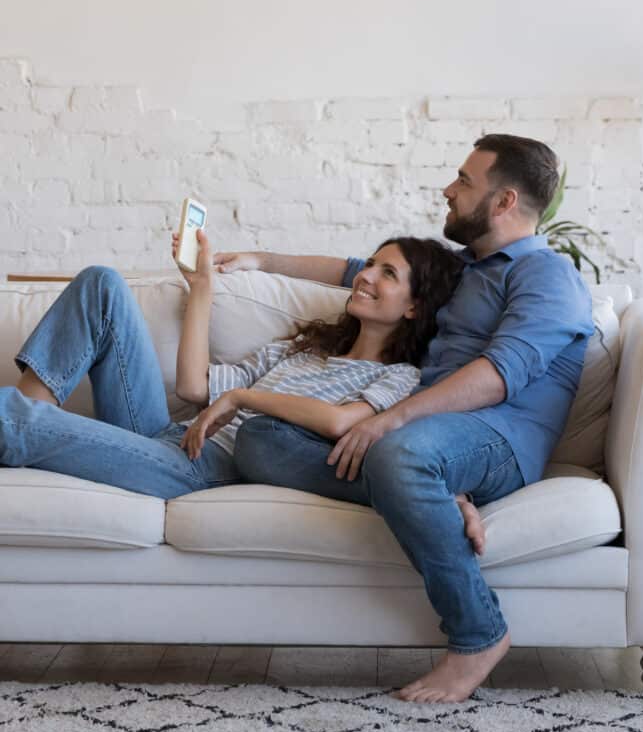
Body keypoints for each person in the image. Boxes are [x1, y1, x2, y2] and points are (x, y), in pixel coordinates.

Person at [219, 134, 595, 703]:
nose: (449, 188)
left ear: (503, 202)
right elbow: (353, 271)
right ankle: (436, 496)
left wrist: (390, 421)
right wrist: (258, 260)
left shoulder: (546, 274)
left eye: (465, 181)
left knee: (400, 452)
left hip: (500, 434)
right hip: (433, 435)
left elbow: (500, 375)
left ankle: (478, 634)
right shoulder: (464, 268)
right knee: (262, 438)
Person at [1, 233, 462, 499]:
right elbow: (193, 387)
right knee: (101, 283)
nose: (365, 276)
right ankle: (25, 427)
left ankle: (22, 426)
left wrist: (242, 397)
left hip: (207, 469)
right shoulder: (306, 348)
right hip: (169, 438)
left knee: (15, 417)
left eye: (388, 273)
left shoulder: (400, 377)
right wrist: (201, 286)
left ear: (414, 308)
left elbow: (341, 422)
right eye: (372, 264)